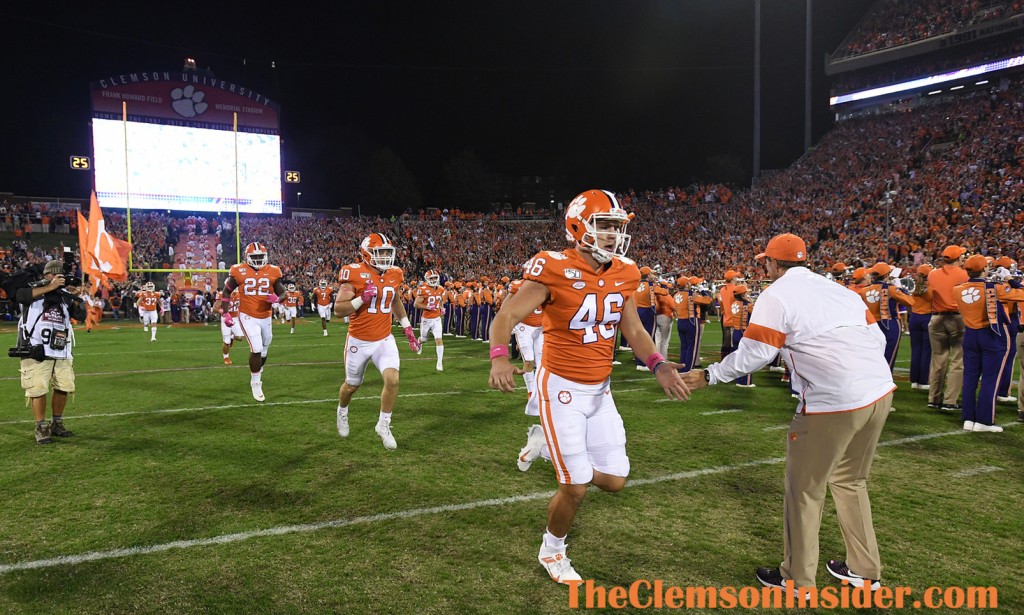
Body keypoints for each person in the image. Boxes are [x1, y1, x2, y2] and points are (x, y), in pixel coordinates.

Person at [489, 189, 690, 585]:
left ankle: (549, 449)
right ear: (579, 225)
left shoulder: (625, 270)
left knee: (615, 481)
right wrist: (498, 355)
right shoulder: (552, 267)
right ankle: (552, 550)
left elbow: (632, 328)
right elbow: (507, 314)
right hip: (560, 387)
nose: (613, 234)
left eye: (617, 226)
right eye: (605, 225)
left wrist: (658, 364)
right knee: (576, 486)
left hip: (601, 389)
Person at [681, 233, 894, 596]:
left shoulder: (776, 294)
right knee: (850, 482)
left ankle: (797, 578)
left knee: (804, 491)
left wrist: (710, 374)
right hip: (879, 391)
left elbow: (756, 353)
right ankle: (864, 569)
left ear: (772, 263)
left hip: (834, 401)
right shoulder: (841, 291)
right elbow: (879, 341)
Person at [333, 232, 421, 450]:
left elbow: (394, 299)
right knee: (351, 386)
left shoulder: (394, 274)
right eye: (379, 253)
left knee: (393, 380)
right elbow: (338, 310)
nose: (384, 257)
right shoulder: (353, 273)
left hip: (384, 338)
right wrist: (361, 299)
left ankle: (384, 424)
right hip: (359, 340)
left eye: (386, 253)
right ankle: (342, 411)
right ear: (366, 254)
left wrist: (407, 327)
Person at [15, 260, 86, 444]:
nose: (56, 278)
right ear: (45, 275)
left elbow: (80, 316)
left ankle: (57, 423)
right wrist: (50, 287)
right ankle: (40, 426)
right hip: (36, 348)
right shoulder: (33, 289)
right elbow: (20, 296)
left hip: (61, 349)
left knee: (64, 386)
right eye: (52, 275)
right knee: (37, 388)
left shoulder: (64, 295)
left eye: (59, 275)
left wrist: (77, 297)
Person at [953, 255, 1024, 433]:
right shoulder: (995, 288)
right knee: (990, 378)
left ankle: (968, 418)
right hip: (992, 335)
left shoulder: (958, 289)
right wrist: (1008, 279)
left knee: (970, 378)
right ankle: (984, 420)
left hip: (970, 335)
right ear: (984, 269)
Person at [220, 242, 286, 402]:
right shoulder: (238, 270)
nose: (257, 260)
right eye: (254, 257)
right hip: (247, 315)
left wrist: (278, 299)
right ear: (247, 258)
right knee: (256, 348)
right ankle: (256, 382)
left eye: (260, 257)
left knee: (265, 347)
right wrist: (226, 313)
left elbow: (282, 292)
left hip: (266, 315)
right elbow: (226, 292)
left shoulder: (274, 271)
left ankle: (258, 371)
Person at [505, 278, 546, 471]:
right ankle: (531, 391)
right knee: (529, 361)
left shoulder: (548, 283)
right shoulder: (517, 285)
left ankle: (537, 390)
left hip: (541, 327)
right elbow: (506, 308)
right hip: (524, 326)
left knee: (543, 362)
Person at [927, 245, 968, 411]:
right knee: (957, 360)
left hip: (936, 318)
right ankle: (950, 401)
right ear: (958, 259)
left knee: (938, 359)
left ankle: (934, 398)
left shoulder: (933, 274)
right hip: (957, 318)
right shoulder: (964, 274)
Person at [672, 276, 712, 373]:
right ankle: (689, 369)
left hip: (681, 321)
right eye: (688, 283)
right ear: (686, 285)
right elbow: (708, 300)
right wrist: (702, 290)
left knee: (684, 346)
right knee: (692, 346)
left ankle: (683, 366)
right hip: (691, 321)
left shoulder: (676, 295)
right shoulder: (691, 295)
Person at [413, 269, 446, 371]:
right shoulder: (423, 289)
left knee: (439, 339)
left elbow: (440, 299)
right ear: (427, 279)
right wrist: (427, 307)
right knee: (424, 339)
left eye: (434, 278)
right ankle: (419, 341)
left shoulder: (440, 289)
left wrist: (441, 307)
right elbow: (416, 304)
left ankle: (439, 362)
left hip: (436, 319)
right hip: (426, 319)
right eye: (431, 278)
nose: (433, 280)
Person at [907, 264, 934, 390]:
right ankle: (923, 381)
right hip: (927, 317)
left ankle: (914, 380)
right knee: (926, 351)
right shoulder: (931, 285)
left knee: (916, 350)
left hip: (914, 318)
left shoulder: (912, 284)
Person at [213, 288, 243, 365]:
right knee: (226, 341)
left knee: (240, 337)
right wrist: (221, 311)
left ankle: (232, 337)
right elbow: (214, 308)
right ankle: (226, 357)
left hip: (236, 318)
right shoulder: (223, 295)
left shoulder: (241, 294)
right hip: (226, 318)